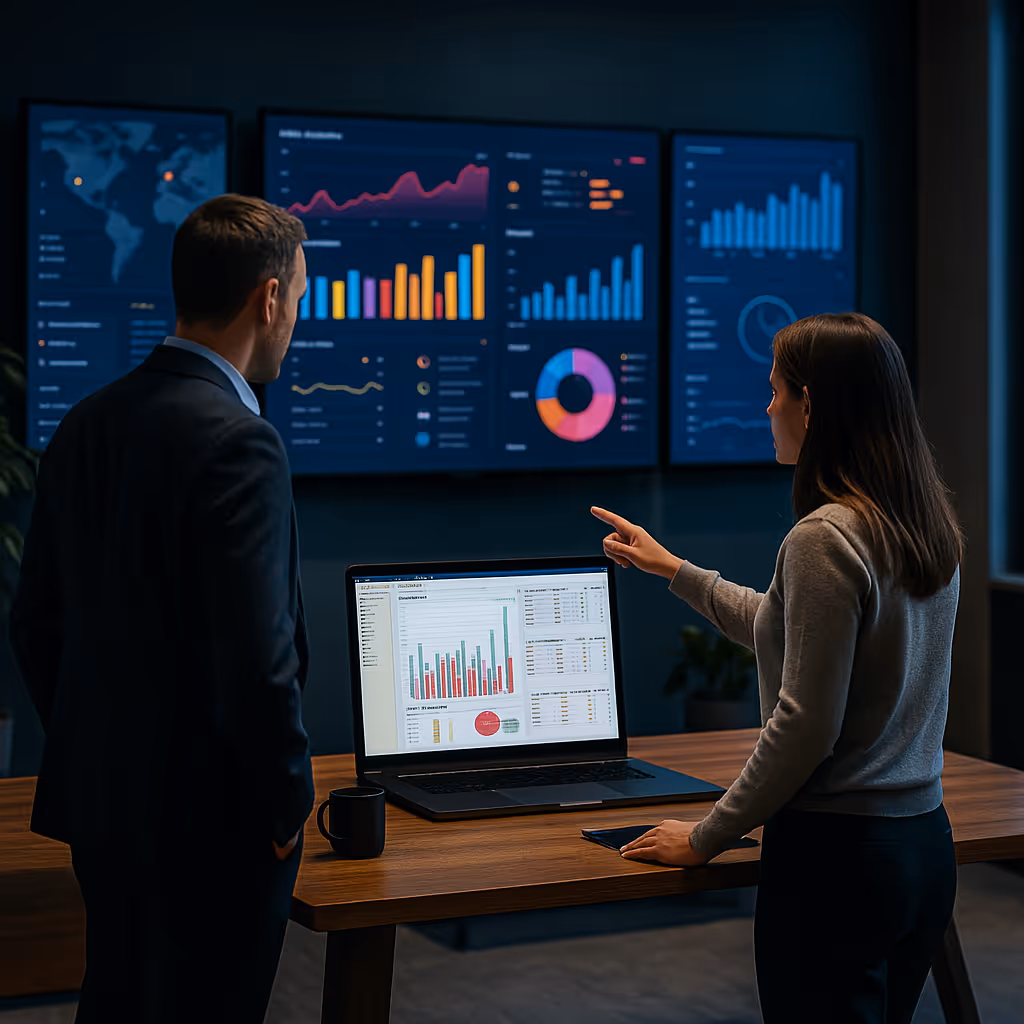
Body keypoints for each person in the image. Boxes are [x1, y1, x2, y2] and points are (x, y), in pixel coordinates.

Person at [593, 313, 962, 1024]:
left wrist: (705, 837)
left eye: (774, 392)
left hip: (838, 862)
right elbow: (790, 628)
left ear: (812, 404)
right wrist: (672, 567)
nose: (767, 409)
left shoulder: (823, 536)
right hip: (920, 849)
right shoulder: (917, 522)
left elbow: (804, 726)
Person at [10, 194, 314, 1023]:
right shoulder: (242, 441)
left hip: (106, 809)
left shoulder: (85, 421)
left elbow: (35, 622)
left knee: (120, 1001)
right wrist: (284, 807)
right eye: (300, 293)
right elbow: (260, 661)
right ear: (270, 298)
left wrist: (103, 742)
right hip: (215, 828)